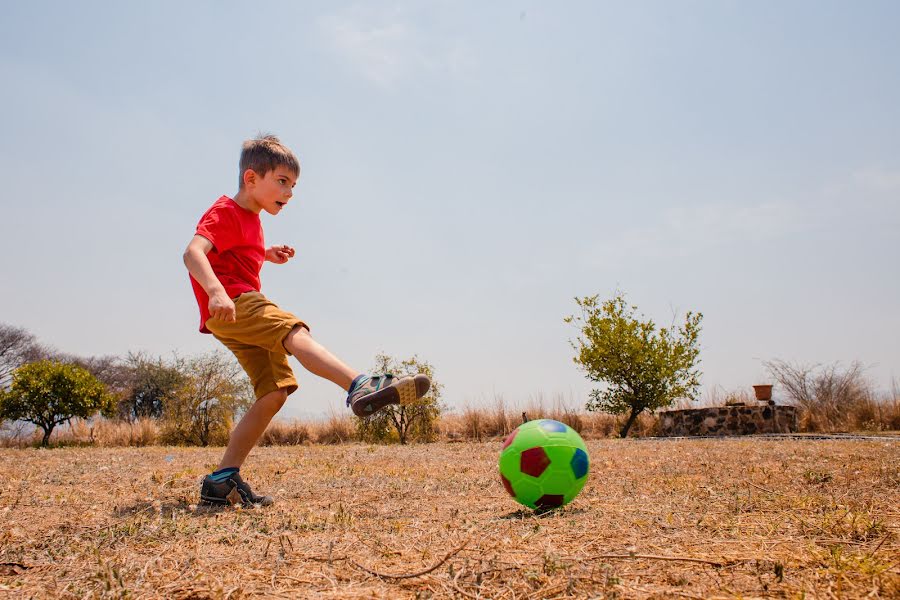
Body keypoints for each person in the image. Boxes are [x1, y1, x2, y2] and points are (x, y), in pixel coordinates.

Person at [183, 134, 430, 507]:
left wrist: (266, 254)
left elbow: (235, 250)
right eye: (282, 181)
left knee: (274, 392)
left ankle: (221, 480)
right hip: (234, 301)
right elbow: (193, 252)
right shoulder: (226, 211)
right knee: (293, 330)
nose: (290, 192)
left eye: (293, 185)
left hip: (231, 314)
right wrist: (216, 291)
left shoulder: (252, 219)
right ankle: (359, 384)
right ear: (251, 179)